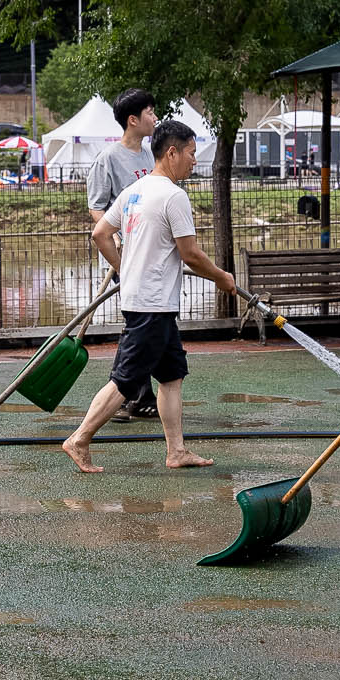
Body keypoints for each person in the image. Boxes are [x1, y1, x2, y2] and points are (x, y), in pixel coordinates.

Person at [61, 120, 238, 474]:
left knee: (171, 376)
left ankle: (176, 451)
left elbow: (100, 233)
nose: (193, 161)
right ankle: (79, 439)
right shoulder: (174, 196)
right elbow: (190, 254)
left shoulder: (133, 191)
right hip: (153, 305)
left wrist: (126, 269)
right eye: (190, 153)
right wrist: (222, 277)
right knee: (125, 380)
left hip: (150, 302)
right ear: (171, 152)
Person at [85, 88, 162, 420]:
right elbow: (96, 207)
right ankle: (127, 394)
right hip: (126, 254)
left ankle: (137, 394)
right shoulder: (109, 159)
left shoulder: (151, 157)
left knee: (146, 323)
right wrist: (117, 243)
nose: (155, 118)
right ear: (133, 120)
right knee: (140, 323)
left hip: (152, 253)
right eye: (149, 112)